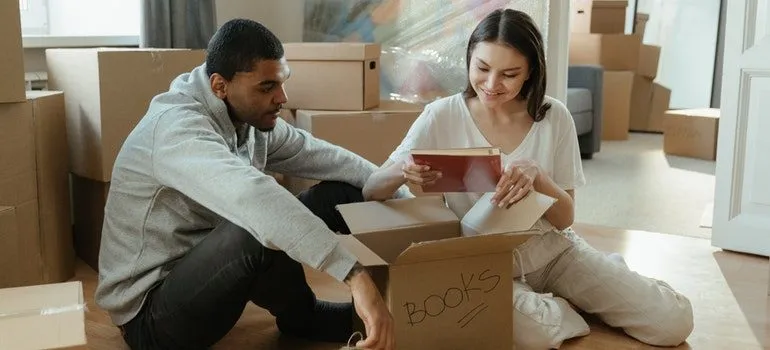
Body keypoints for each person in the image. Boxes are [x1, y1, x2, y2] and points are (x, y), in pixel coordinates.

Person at [362, 9, 694, 349]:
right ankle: (575, 301)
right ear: (469, 60)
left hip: (555, 252)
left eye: (509, 74)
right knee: (537, 336)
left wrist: (540, 178)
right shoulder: (441, 115)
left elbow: (565, 218)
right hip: (484, 264)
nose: (491, 85)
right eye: (482, 68)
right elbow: (372, 189)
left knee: (672, 324)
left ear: (531, 71)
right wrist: (402, 169)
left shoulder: (554, 117)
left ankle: (605, 281)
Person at [94, 19, 396, 350]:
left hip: (203, 267)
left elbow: (319, 154)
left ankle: (309, 318)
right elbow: (253, 197)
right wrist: (354, 274)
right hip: (151, 316)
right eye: (266, 87)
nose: (282, 97)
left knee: (343, 192)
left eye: (282, 82)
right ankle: (313, 314)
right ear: (220, 85)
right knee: (258, 221)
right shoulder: (176, 129)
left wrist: (390, 185)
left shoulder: (246, 117)